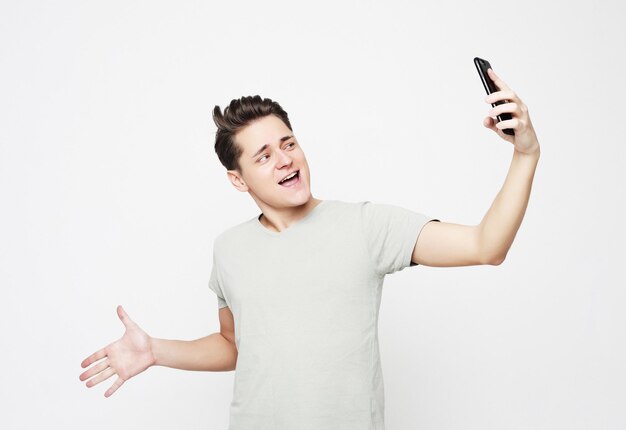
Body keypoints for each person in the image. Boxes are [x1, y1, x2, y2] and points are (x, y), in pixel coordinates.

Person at [79, 68, 540, 429]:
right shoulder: (229, 250)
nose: (285, 160)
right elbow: (235, 347)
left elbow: (487, 245)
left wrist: (525, 155)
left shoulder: (366, 225)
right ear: (237, 179)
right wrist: (156, 351)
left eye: (289, 143)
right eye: (264, 156)